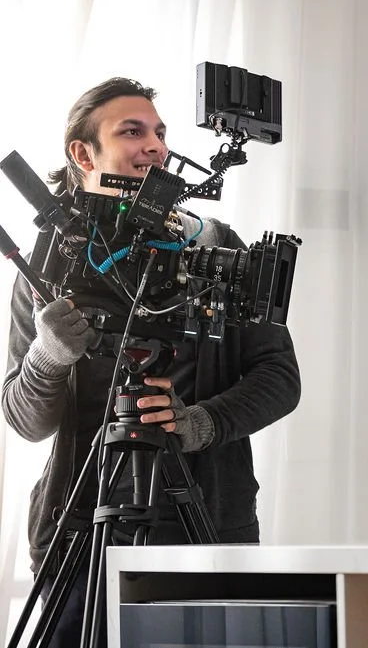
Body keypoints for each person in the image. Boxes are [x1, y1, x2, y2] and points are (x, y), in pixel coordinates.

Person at [1, 77, 301, 646]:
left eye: (160, 133)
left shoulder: (215, 247)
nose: (156, 147)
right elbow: (24, 420)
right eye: (132, 131)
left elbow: (279, 379)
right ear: (83, 153)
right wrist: (48, 357)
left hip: (207, 520)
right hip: (81, 528)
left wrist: (199, 422)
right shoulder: (50, 264)